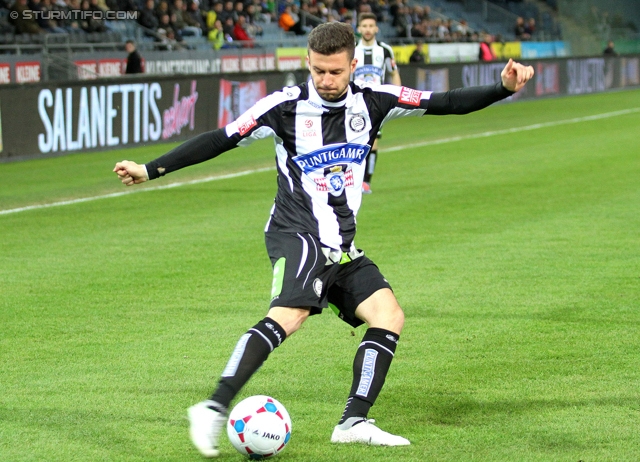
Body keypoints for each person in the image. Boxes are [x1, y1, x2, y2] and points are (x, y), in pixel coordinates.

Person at [113, 22, 534, 458]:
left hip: (340, 243)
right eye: (318, 71)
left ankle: (353, 422)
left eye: (335, 72)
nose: (326, 81)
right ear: (308, 64)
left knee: (388, 315)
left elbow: (446, 102)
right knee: (290, 314)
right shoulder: (283, 106)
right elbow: (220, 140)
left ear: (353, 65)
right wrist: (151, 169)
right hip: (294, 231)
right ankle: (214, 407)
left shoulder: (377, 101)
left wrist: (501, 88)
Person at [353, 12, 401, 194]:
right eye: (364, 26)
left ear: (376, 28)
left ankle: (366, 182)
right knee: (352, 141)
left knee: (372, 143)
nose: (367, 29)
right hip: (355, 102)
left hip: (377, 103)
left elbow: (393, 72)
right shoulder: (351, 50)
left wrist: (398, 95)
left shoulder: (385, 50)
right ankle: (352, 180)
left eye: (371, 26)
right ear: (358, 29)